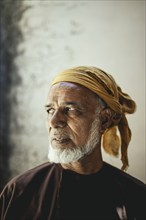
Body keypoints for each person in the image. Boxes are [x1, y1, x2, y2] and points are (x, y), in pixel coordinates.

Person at [0, 66, 145, 220]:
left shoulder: (136, 197)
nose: (54, 122)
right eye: (50, 110)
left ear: (104, 120)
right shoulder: (18, 192)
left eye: (70, 109)